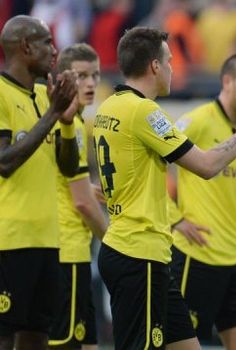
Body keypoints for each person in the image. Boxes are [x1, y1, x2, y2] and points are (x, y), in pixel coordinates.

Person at [94, 27, 236, 350]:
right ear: (155, 67)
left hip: (144, 250)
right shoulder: (145, 111)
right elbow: (206, 166)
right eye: (169, 61)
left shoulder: (108, 108)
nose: (174, 67)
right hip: (141, 252)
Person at [168, 53, 236, 350]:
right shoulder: (197, 121)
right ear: (227, 81)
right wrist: (174, 218)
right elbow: (152, 165)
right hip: (198, 257)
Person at [0, 15, 79, 350]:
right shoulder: (1, 92)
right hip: (9, 240)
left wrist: (66, 123)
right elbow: (4, 162)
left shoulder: (44, 96)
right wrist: (50, 115)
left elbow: (68, 167)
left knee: (37, 337)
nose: (54, 50)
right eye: (47, 41)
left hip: (47, 239)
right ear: (25, 46)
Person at [48, 43, 107, 350]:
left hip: (68, 251)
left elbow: (70, 185)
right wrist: (117, 246)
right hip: (67, 251)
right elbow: (81, 201)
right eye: (82, 75)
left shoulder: (76, 123)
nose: (91, 83)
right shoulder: (67, 124)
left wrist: (88, 190)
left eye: (95, 75)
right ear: (63, 79)